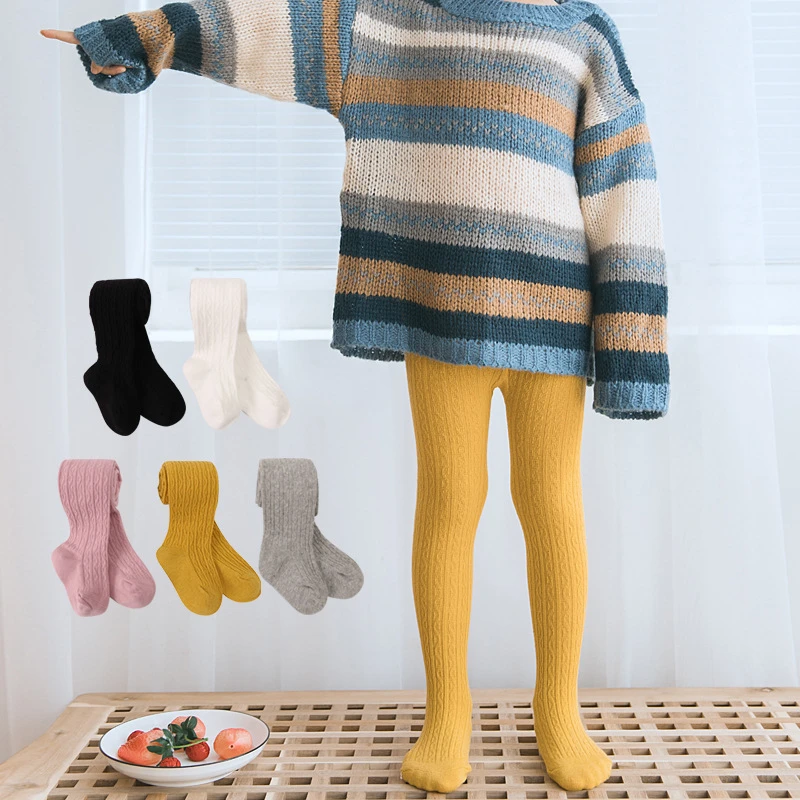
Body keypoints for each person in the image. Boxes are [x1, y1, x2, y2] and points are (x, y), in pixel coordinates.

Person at [43, 0, 668, 790]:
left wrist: (633, 348)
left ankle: (559, 713)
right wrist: (144, 37)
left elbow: (623, 188)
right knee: (450, 503)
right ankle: (447, 715)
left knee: (552, 505)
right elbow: (262, 32)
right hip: (439, 317)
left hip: (555, 319)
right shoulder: (386, 20)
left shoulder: (582, 33)